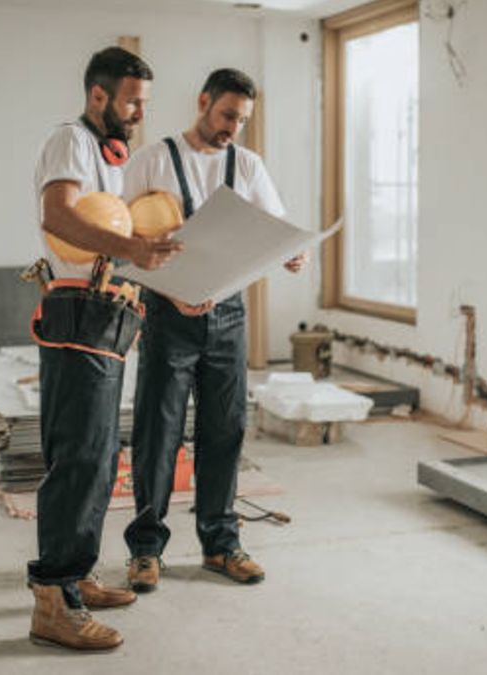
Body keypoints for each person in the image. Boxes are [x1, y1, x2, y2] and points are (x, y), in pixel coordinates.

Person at [121, 68, 306, 592]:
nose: (233, 128)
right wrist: (166, 288)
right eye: (227, 115)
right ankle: (145, 550)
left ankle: (221, 545)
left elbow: (276, 229)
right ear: (202, 101)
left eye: (242, 120)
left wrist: (292, 254)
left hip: (228, 317)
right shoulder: (153, 160)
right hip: (167, 314)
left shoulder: (247, 165)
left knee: (225, 430)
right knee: (159, 433)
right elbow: (120, 240)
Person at [25, 46, 180, 651]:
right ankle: (53, 601)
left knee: (99, 458)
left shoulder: (111, 158)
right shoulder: (70, 139)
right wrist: (134, 253)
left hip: (108, 308)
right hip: (76, 308)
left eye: (144, 101)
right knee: (79, 459)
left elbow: (114, 228)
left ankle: (78, 577)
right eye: (132, 101)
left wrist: (148, 250)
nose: (140, 112)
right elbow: (59, 217)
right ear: (99, 96)